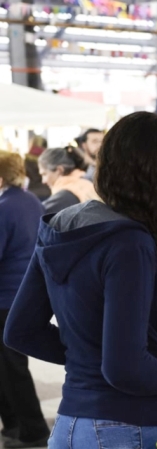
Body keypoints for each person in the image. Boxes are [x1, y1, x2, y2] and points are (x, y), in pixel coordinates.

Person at [3, 112, 157, 449]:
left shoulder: (61, 224)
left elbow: (20, 330)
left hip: (71, 424)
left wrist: (86, 359)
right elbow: (125, 368)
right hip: (130, 424)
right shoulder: (130, 242)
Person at [0, 151, 49, 448]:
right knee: (9, 365)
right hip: (24, 293)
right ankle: (15, 424)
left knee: (11, 367)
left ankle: (33, 430)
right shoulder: (30, 200)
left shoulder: (4, 207)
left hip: (5, 296)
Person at [38, 146, 100, 215]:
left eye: (44, 174)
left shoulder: (64, 196)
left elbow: (37, 215)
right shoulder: (85, 183)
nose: (43, 181)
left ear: (59, 170)